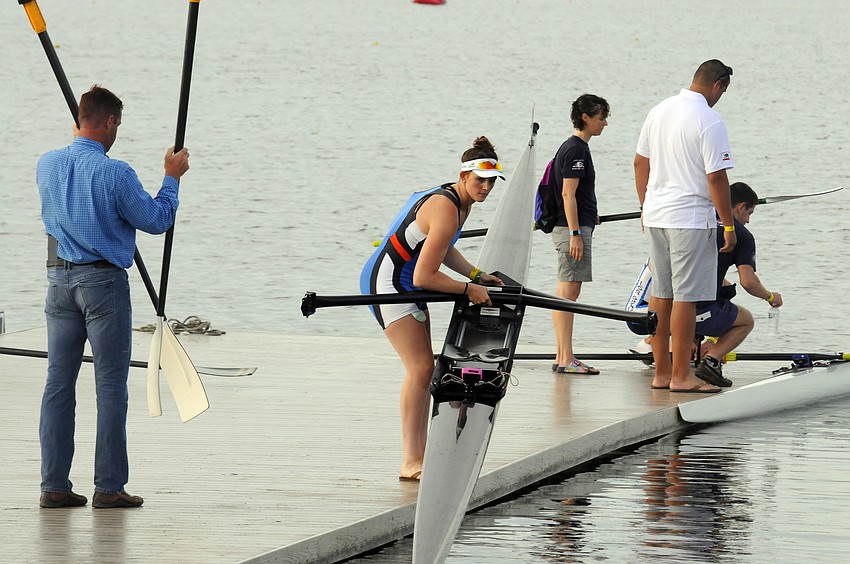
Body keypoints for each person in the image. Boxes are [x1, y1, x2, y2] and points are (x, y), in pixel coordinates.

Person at [37, 85, 190, 508]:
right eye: (117, 124)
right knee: (110, 388)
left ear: (77, 121)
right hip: (103, 286)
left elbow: (54, 218)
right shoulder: (116, 172)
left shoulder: (46, 164)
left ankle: (53, 485)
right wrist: (171, 180)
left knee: (58, 385)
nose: (117, 131)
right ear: (108, 122)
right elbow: (156, 220)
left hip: (58, 283)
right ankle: (108, 487)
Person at [360, 136, 505, 481]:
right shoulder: (445, 206)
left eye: (491, 182)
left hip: (410, 281)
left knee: (426, 368)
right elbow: (427, 274)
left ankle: (421, 456)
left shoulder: (461, 201)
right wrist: (469, 290)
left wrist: (474, 274)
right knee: (421, 367)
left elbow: (443, 247)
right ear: (463, 175)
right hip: (390, 284)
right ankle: (411, 462)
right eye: (479, 180)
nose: (485, 188)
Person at [634, 59, 737, 393]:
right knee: (686, 298)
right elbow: (717, 177)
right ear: (718, 85)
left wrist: (644, 207)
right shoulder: (709, 119)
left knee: (660, 294)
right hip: (690, 219)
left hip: (656, 215)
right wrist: (729, 225)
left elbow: (640, 163)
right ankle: (681, 376)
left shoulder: (659, 110)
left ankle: (661, 373)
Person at [693, 182, 783, 384]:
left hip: (666, 309)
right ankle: (711, 361)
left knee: (722, 292)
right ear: (740, 207)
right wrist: (770, 297)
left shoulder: (696, 219)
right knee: (746, 320)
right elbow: (748, 282)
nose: (748, 220)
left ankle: (672, 352)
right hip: (698, 311)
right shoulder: (741, 235)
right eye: (749, 213)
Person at [549, 94, 610, 375]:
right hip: (571, 230)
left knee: (566, 294)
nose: (605, 123)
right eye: (600, 118)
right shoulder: (575, 149)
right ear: (585, 117)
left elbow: (577, 193)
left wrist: (589, 213)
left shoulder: (575, 148)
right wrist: (575, 232)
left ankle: (563, 356)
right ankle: (566, 358)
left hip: (576, 224)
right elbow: (567, 193)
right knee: (567, 294)